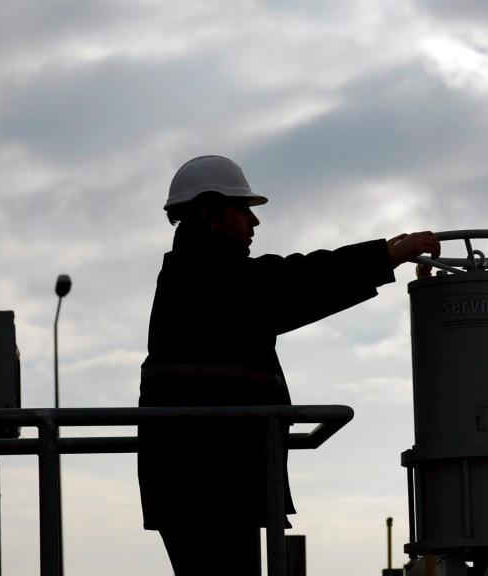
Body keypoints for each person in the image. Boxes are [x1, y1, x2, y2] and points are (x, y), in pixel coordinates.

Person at [137, 155, 439, 574]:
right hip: (209, 484)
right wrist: (384, 257)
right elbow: (289, 283)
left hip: (206, 482)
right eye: (244, 210)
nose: (253, 223)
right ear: (210, 212)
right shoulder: (207, 280)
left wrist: (380, 257)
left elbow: (281, 286)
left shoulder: (196, 277)